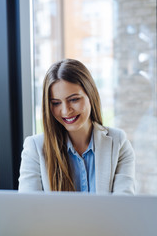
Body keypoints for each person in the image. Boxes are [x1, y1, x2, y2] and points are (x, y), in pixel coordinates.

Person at [18, 58, 135, 194]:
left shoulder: (118, 143)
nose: (66, 111)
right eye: (56, 103)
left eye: (74, 99)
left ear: (90, 95)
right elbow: (29, 210)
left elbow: (123, 207)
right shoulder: (35, 149)